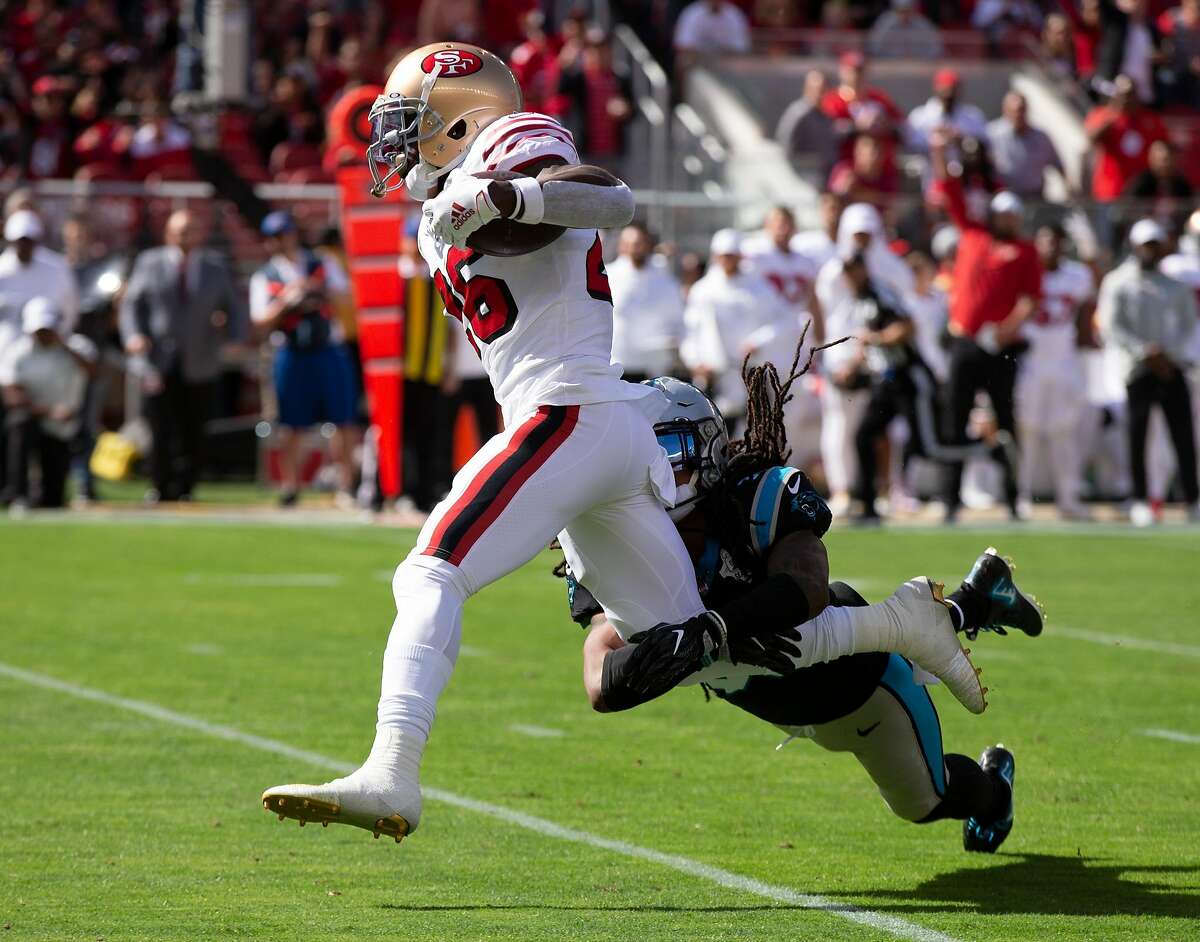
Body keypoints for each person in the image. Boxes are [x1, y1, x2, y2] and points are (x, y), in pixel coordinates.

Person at [263, 43, 985, 845]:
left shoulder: (508, 142)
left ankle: (392, 772)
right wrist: (476, 208)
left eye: (407, 123)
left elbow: (608, 201)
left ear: (455, 115)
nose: (394, 145)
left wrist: (502, 196)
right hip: (592, 432)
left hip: (568, 409)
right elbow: (504, 243)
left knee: (431, 567)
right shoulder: (441, 206)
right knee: (701, 648)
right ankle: (898, 623)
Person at [566, 376, 1042, 850]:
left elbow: (806, 587)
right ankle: (977, 599)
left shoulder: (756, 497)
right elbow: (600, 674)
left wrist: (719, 628)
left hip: (854, 682)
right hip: (775, 698)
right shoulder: (609, 545)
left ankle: (994, 791)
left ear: (708, 449)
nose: (653, 472)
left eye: (667, 451)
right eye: (638, 456)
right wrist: (669, 657)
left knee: (924, 801)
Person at [928, 131, 1039, 522]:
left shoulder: (1026, 251)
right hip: (965, 342)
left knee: (1005, 420)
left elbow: (1029, 300)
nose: (1006, 220)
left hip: (999, 346)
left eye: (1012, 215)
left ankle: (1012, 499)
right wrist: (941, 149)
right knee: (953, 420)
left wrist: (1006, 330)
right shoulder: (972, 234)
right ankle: (949, 500)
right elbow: (948, 188)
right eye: (1002, 213)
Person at [119, 209, 246, 503]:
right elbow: (131, 306)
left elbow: (234, 306)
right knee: (159, 424)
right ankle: (159, 485)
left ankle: (186, 486)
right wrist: (134, 336)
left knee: (194, 426)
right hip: (157, 359)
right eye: (179, 231)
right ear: (168, 233)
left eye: (190, 230)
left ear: (200, 234)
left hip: (200, 357)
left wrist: (235, 337)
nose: (184, 237)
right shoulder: (149, 263)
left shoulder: (215, 267)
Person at [249, 210, 357, 508]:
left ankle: (345, 485)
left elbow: (345, 299)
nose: (282, 242)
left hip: (327, 348)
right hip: (292, 351)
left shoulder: (321, 263)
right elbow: (260, 320)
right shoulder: (265, 276)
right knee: (290, 423)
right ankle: (291, 485)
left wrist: (316, 290)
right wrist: (288, 299)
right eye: (275, 237)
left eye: (285, 234)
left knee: (343, 418)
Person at [1097, 218, 1199, 525]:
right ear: (1135, 246)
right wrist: (1145, 351)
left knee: (1182, 435)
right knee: (1137, 435)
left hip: (1170, 366)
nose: (1150, 251)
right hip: (1137, 368)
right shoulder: (1118, 282)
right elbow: (1112, 326)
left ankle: (1192, 499)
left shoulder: (1175, 286)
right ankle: (1140, 498)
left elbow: (1186, 325)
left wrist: (1168, 354)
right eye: (1146, 245)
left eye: (1155, 244)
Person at [815, 202, 913, 516]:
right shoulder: (832, 271)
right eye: (856, 234)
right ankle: (843, 489)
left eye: (867, 234)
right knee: (840, 426)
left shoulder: (893, 269)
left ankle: (890, 488)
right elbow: (825, 315)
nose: (862, 240)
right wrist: (825, 354)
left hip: (879, 360)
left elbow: (906, 317)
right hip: (840, 356)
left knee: (886, 427)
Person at [1016, 224, 1096, 519]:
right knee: (1027, 431)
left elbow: (1086, 314)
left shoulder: (1078, 275)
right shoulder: (1023, 271)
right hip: (1030, 360)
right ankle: (1020, 496)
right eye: (1044, 241)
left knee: (1064, 432)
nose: (1050, 247)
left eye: (1055, 242)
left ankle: (1069, 497)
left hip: (1063, 359)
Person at [0, 209, 79, 497]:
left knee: (54, 433)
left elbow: (69, 311)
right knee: (14, 425)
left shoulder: (55, 268)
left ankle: (56, 488)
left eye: (28, 240)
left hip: (49, 363)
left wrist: (56, 346)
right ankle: (12, 489)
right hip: (8, 363)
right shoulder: (1, 269)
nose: (23, 246)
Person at [742, 206, 824, 466]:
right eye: (777, 222)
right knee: (757, 405)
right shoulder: (754, 254)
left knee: (792, 406)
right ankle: (753, 463)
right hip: (761, 340)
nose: (782, 228)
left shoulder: (805, 261)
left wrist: (820, 336)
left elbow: (812, 299)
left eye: (787, 223)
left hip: (793, 343)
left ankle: (784, 463)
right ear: (766, 225)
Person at [0, 298, 93, 511]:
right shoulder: (17, 352)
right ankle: (18, 494)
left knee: (53, 498)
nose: (43, 335)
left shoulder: (77, 346)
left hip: (63, 428)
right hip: (34, 419)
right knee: (19, 423)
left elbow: (93, 372)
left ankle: (42, 493)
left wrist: (64, 346)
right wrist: (50, 411)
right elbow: (11, 397)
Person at [680, 228, 777, 427]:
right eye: (723, 256)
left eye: (731, 255)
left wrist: (758, 341)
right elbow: (690, 332)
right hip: (715, 374)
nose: (727, 260)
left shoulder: (758, 288)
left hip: (751, 371)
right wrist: (696, 362)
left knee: (758, 426)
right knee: (716, 427)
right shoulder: (703, 290)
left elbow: (778, 321)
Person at [606, 222, 685, 384]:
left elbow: (677, 320)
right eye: (628, 244)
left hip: (654, 368)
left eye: (638, 244)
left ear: (649, 245)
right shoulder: (608, 276)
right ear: (621, 246)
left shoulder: (665, 281)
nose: (634, 249)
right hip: (617, 365)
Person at [1083, 75, 1169, 203]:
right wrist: (1113, 116)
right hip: (1110, 191)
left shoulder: (1150, 120)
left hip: (1142, 193)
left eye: (1130, 94)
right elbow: (1091, 138)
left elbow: (1164, 148)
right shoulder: (1103, 115)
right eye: (1122, 95)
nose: (1127, 99)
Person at [985, 91, 1066, 199]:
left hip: (1035, 197)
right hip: (1005, 198)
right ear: (1005, 110)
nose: (1018, 115)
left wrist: (1069, 188)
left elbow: (1058, 164)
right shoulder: (992, 134)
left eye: (1021, 110)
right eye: (1014, 111)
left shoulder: (1040, 137)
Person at [905, 69, 988, 158]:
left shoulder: (973, 116)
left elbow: (985, 144)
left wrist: (961, 139)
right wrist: (936, 138)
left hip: (964, 169)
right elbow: (911, 146)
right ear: (936, 88)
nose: (948, 94)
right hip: (929, 168)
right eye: (945, 90)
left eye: (952, 90)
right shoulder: (919, 116)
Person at [672, 0, 751, 67]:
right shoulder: (692, 13)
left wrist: (719, 55)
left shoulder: (734, 14)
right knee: (684, 61)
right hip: (697, 59)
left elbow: (741, 47)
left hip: (726, 60)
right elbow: (683, 45)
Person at [866, 0, 945, 59]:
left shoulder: (922, 24)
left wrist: (920, 58)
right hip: (889, 66)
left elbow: (936, 49)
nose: (904, 14)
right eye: (900, 11)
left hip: (918, 66)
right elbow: (874, 48)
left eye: (907, 10)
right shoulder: (885, 23)